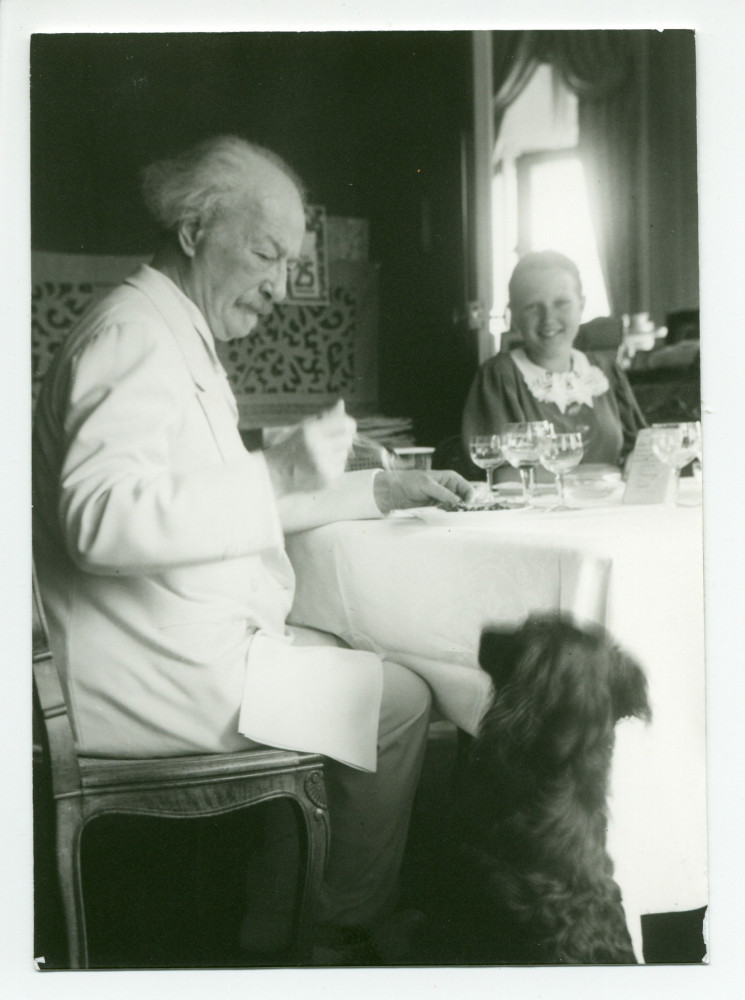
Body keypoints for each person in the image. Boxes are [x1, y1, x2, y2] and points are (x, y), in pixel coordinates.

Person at [32, 134, 474, 963]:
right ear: (196, 231)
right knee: (403, 697)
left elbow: (212, 497)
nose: (279, 285)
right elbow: (100, 519)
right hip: (154, 680)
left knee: (354, 651)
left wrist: (376, 490)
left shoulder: (167, 328)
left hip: (171, 651)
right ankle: (333, 926)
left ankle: (283, 914)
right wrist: (274, 468)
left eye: (289, 261)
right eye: (266, 253)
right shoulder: (131, 338)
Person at [461, 250, 646, 480]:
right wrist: (604, 475)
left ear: (581, 305)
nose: (549, 318)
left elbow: (642, 452)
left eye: (562, 303)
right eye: (532, 307)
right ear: (514, 315)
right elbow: (502, 477)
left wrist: (634, 461)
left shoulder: (606, 371)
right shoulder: (499, 377)